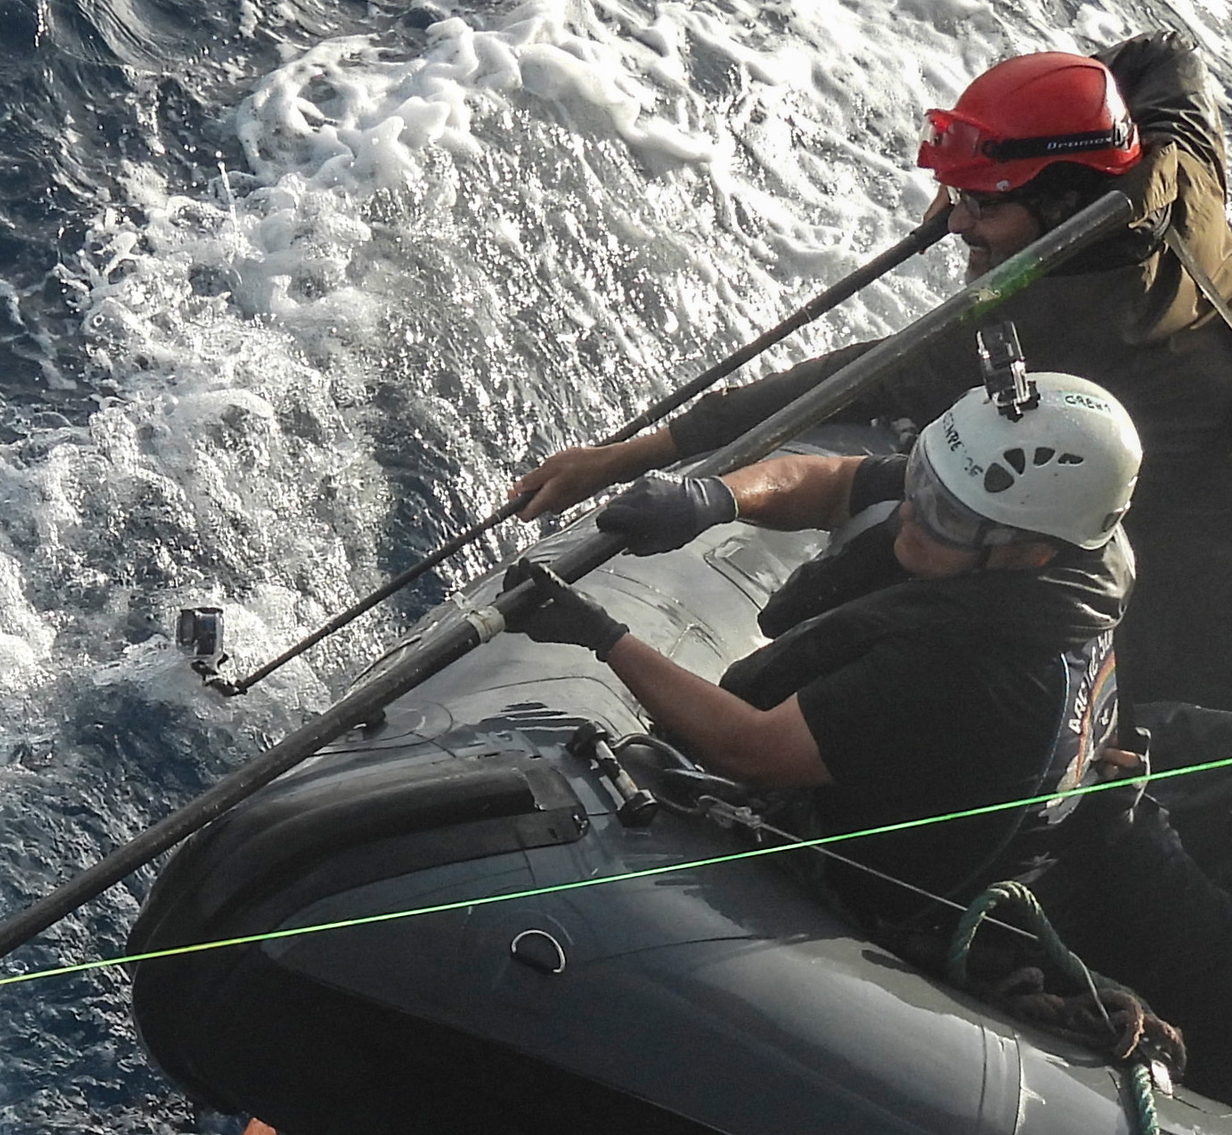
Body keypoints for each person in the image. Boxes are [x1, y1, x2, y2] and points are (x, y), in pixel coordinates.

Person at [515, 31, 1232, 711]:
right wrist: (979, 180)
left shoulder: (1058, 321)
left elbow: (859, 377)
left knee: (1125, 690)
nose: (958, 225)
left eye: (984, 205)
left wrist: (627, 456)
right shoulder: (1174, 158)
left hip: (1179, 522)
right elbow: (1161, 52)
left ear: (1063, 203)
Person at [506, 366, 1138, 926]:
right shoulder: (1043, 538)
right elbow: (839, 481)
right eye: (921, 478)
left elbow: (749, 748)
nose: (913, 512)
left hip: (861, 897)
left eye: (944, 515)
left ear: (1029, 550)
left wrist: (601, 635)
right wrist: (716, 499)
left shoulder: (977, 668)